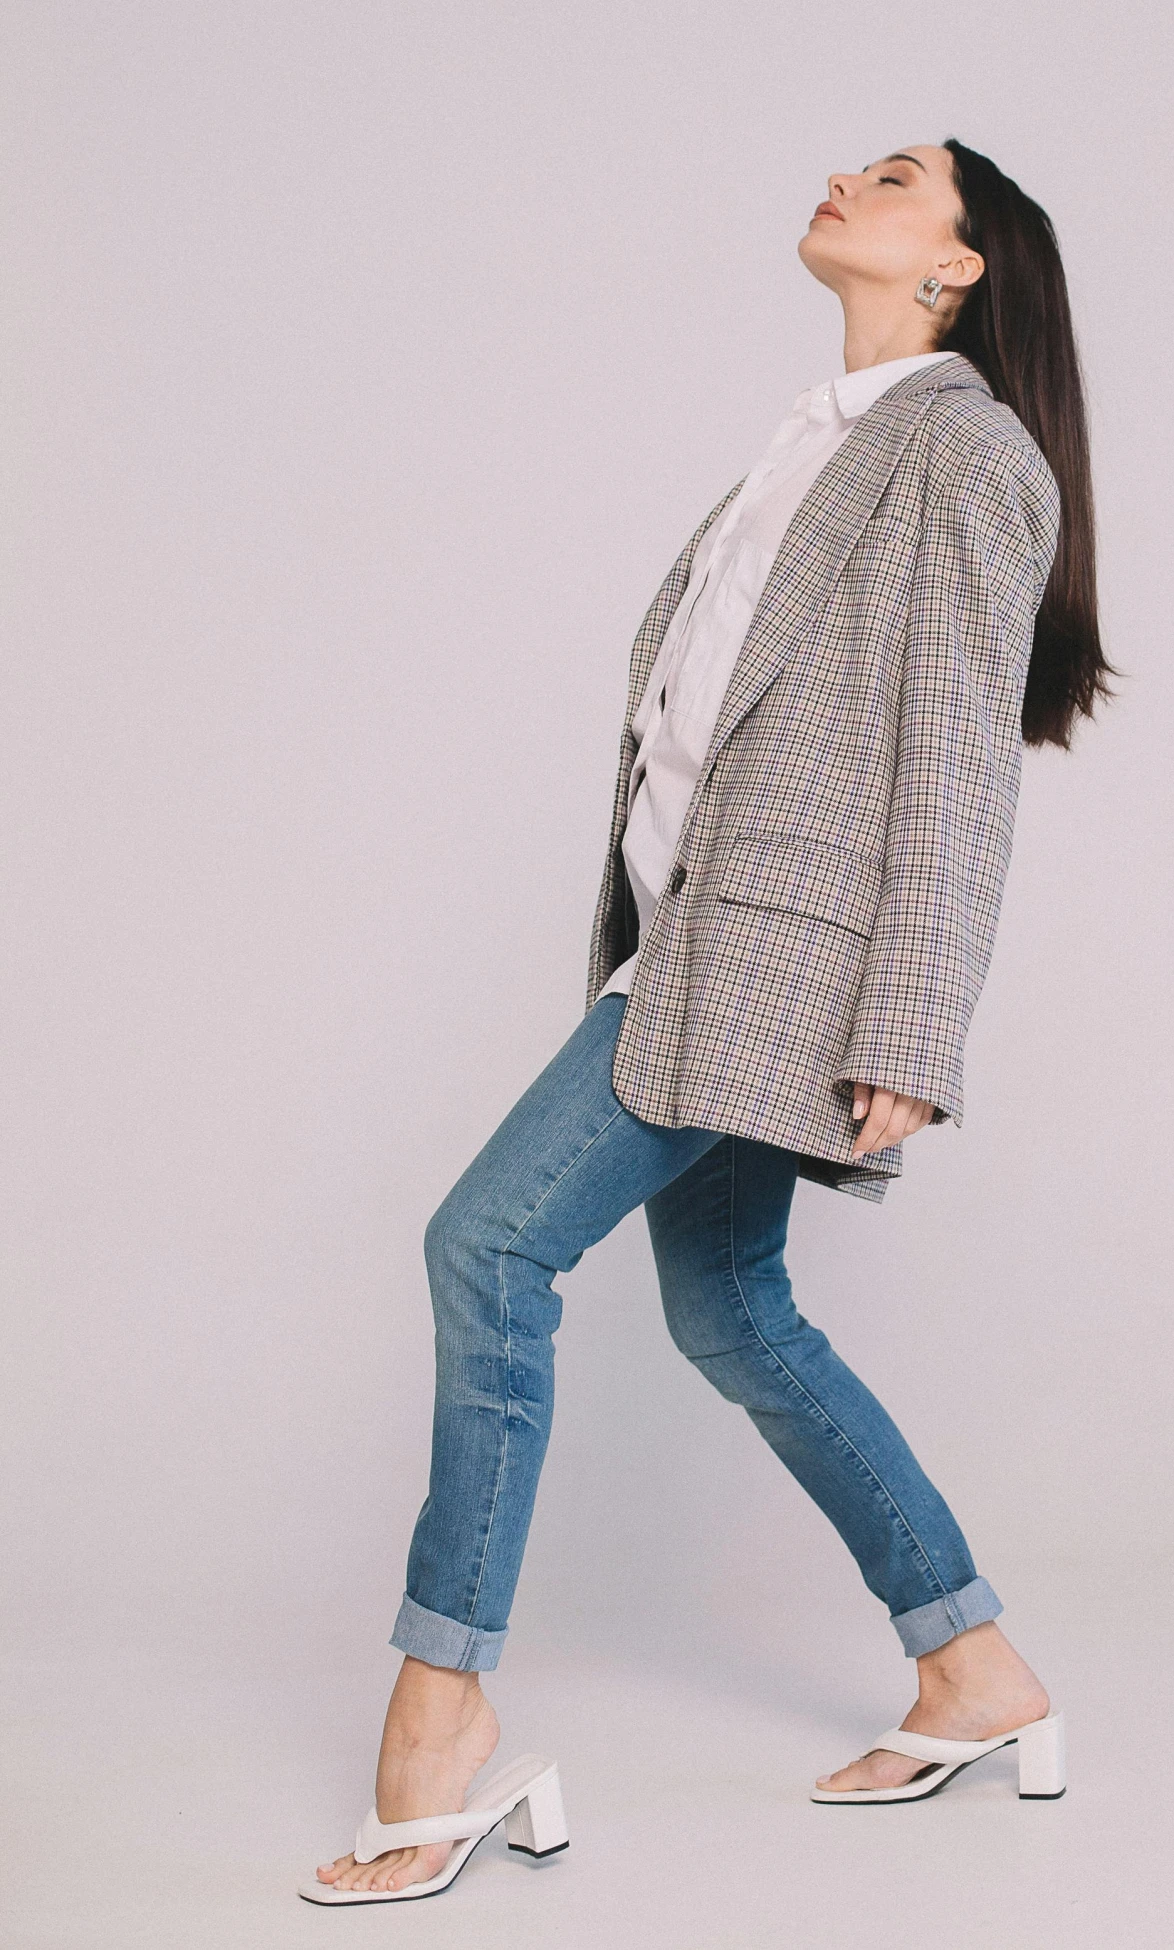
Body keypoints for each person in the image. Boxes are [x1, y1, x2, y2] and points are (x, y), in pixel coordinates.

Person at [304, 139, 1112, 1902]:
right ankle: (973, 1668)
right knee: (734, 1310)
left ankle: (441, 1721)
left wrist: (915, 1020)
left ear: (960, 265)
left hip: (773, 963)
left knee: (485, 1248)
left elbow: (958, 752)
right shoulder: (813, 443)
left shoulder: (961, 448)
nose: (845, 175)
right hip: (683, 947)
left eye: (895, 176)